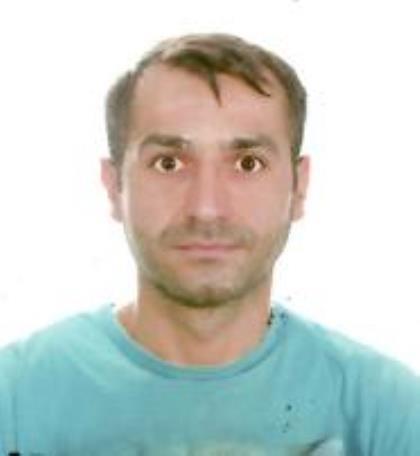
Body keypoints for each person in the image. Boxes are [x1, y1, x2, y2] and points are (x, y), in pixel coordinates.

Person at [0, 33, 419, 456]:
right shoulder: (14, 400)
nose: (206, 209)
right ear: (114, 187)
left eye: (247, 163)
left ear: (299, 187)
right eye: (168, 163)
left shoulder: (387, 413)